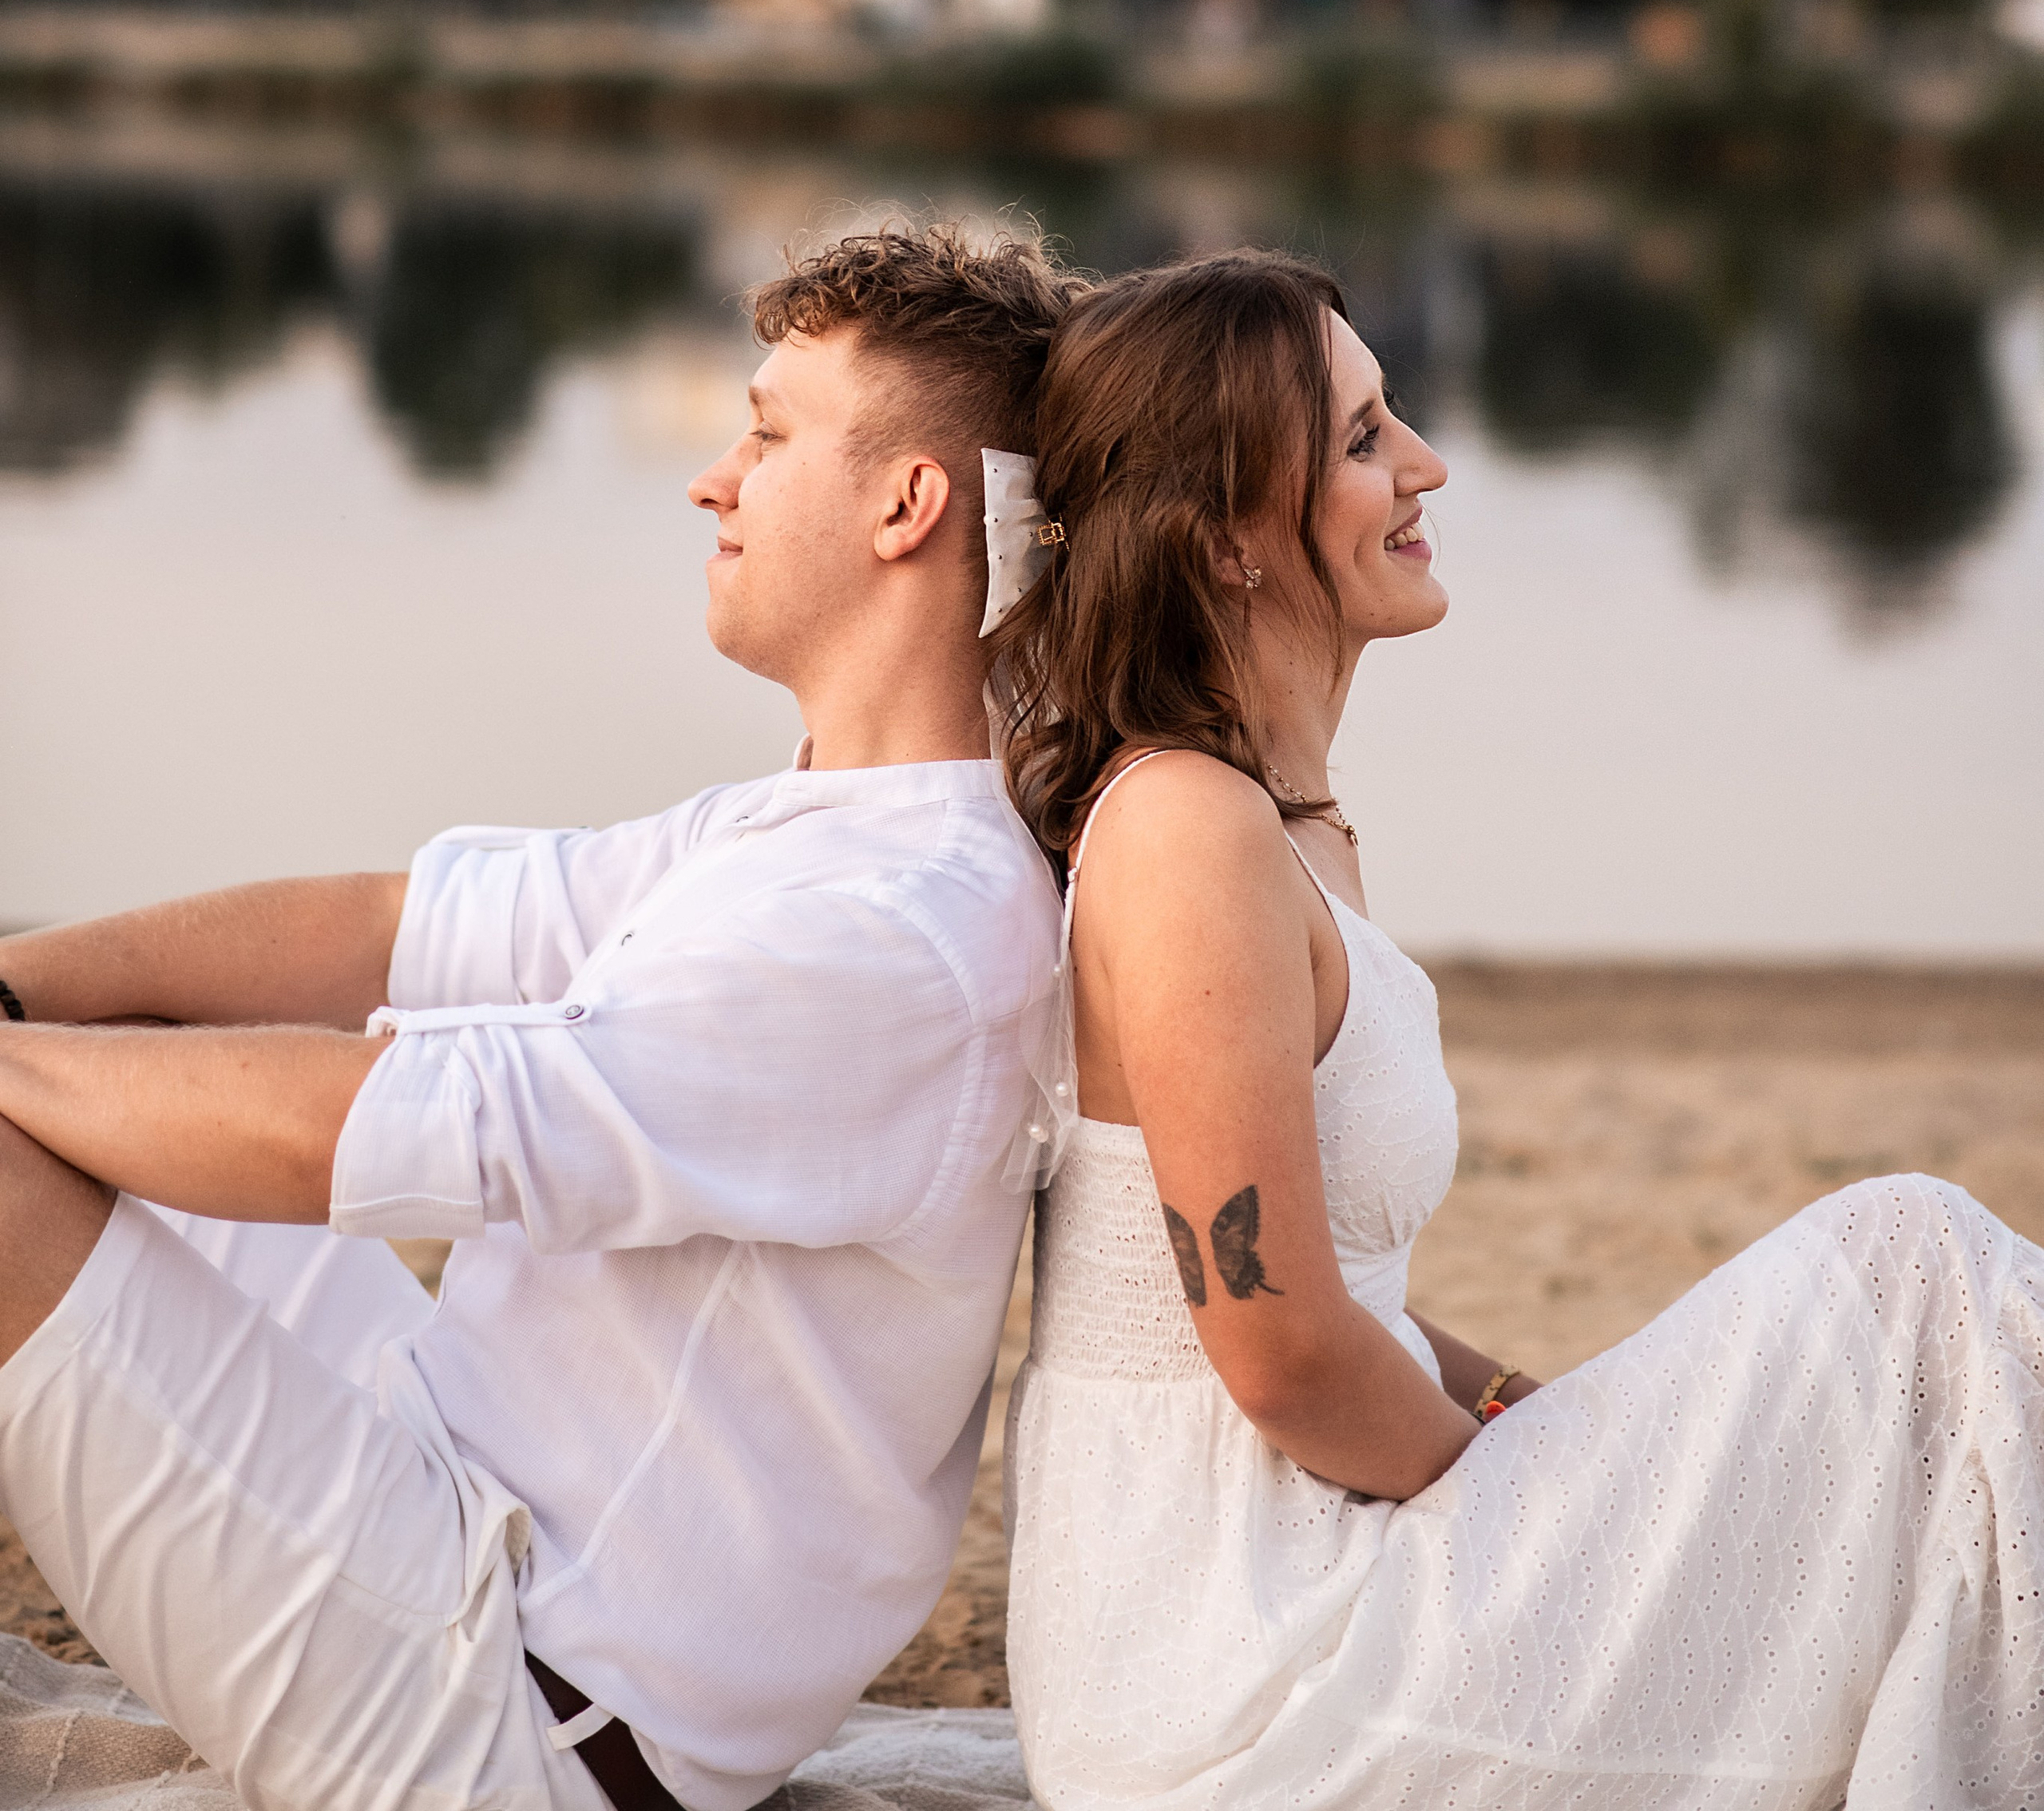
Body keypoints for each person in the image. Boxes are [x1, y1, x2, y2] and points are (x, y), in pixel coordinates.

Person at [0, 223, 1074, 1811]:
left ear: (906, 508)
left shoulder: (889, 933)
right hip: (451, 1498)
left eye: (768, 437)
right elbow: (393, 928)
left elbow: (342, 1137)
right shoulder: (813, 832)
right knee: (138, 1049)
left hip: (513, 1710)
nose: (714, 478)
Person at [992, 248, 2043, 1809]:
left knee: (1913, 1371)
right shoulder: (1183, 833)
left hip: (1303, 1566)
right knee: (1912, 1264)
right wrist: (1539, 1497)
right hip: (1231, 1659)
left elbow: (1339, 1295)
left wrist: (1529, 1417)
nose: (1422, 463)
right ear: (1220, 536)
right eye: (1358, 440)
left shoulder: (1285, 832)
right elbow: (1274, 1343)